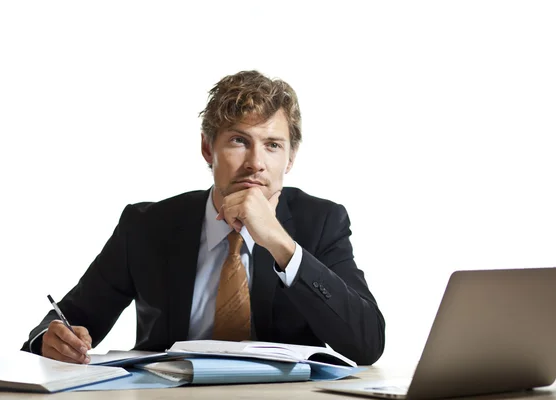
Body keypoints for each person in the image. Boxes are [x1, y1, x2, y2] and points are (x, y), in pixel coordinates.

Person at [22, 70, 385, 365]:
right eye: (239, 141)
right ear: (207, 148)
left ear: (290, 158)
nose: (256, 162)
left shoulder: (320, 222)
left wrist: (281, 245)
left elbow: (367, 344)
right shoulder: (146, 226)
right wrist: (51, 341)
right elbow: (65, 322)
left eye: (273, 145)